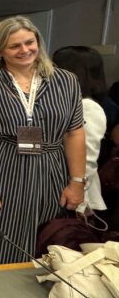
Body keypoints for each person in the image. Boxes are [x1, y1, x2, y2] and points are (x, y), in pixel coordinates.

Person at [0, 16, 86, 266]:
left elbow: (74, 133)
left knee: (48, 239)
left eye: (29, 42)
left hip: (51, 173)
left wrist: (77, 182)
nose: (25, 50)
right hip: (3, 172)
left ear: (38, 42)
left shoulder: (66, 81)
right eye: (15, 46)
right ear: (0, 51)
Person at [52, 46, 108, 212]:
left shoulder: (87, 106)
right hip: (58, 187)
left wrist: (77, 190)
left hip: (74, 195)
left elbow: (87, 157)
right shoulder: (63, 101)